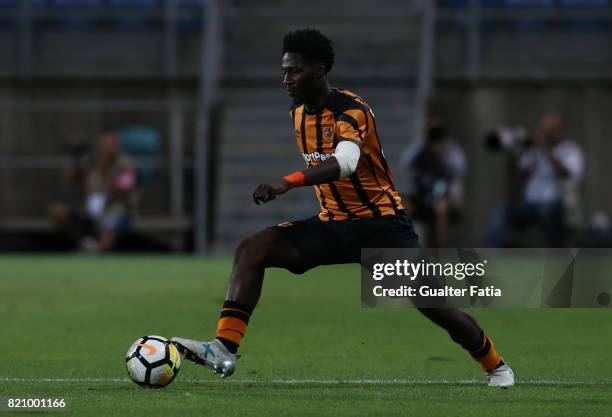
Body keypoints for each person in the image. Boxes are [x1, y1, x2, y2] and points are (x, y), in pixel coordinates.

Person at [172, 29, 514, 387]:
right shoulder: (298, 111)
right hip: (332, 226)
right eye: (284, 71)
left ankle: (495, 365)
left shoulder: (352, 110)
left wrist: (287, 181)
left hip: (381, 226)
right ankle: (224, 348)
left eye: (295, 71)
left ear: (319, 70)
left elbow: (347, 161)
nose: (286, 79)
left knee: (433, 306)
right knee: (251, 249)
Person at [487, 115, 584, 247]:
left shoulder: (570, 150)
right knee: (501, 211)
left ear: (561, 131)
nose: (546, 135)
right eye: (544, 131)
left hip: (555, 203)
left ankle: (555, 253)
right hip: (529, 204)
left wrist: (546, 149)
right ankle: (491, 254)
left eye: (550, 131)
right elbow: (521, 173)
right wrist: (520, 149)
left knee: (548, 213)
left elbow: (568, 174)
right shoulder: (535, 151)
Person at [48, 131, 137, 252]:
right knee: (57, 210)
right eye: (106, 145)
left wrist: (107, 170)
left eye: (112, 145)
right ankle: (83, 242)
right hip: (89, 208)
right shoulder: (92, 161)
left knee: (110, 231)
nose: (109, 149)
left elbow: (124, 190)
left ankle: (95, 251)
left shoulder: (126, 164)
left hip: (115, 209)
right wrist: (76, 161)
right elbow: (71, 181)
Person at [401, 116, 466, 247]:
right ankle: (405, 244)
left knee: (440, 207)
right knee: (399, 206)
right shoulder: (421, 146)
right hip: (421, 194)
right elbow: (405, 162)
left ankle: (440, 247)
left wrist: (443, 152)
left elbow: (459, 170)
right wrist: (423, 142)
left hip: (444, 197)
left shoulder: (451, 148)